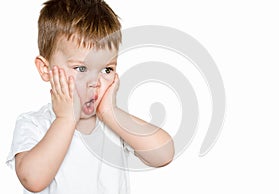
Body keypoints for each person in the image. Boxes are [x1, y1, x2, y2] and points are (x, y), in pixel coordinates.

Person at [6, 0, 175, 193]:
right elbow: (32, 179)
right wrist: (66, 119)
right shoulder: (35, 124)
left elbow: (164, 154)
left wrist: (110, 113)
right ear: (46, 69)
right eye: (81, 68)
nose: (95, 81)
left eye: (107, 69)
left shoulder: (113, 125)